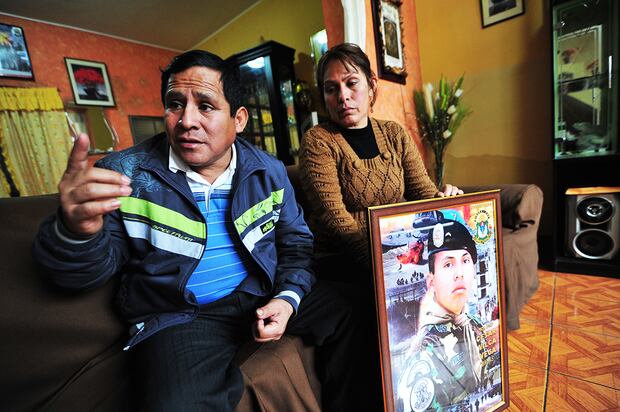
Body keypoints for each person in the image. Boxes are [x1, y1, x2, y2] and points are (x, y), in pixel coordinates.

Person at [32, 50, 355, 412]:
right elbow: (81, 276)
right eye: (174, 104)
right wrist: (77, 230)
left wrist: (287, 298)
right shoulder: (125, 176)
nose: (186, 120)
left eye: (205, 105)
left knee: (355, 309)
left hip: (259, 293)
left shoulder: (269, 172)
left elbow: (295, 244)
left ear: (239, 119)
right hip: (183, 315)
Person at [299, 42, 462, 276]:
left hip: (400, 256)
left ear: (371, 85)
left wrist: (445, 201)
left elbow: (423, 193)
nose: (343, 96)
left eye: (351, 83)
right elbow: (336, 220)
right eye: (331, 89)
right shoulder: (318, 141)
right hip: (343, 259)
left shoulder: (394, 134)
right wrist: (384, 268)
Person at [396, 219, 488, 412]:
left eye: (465, 261)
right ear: (431, 282)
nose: (459, 274)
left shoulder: (475, 326)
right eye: (448, 265)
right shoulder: (425, 351)